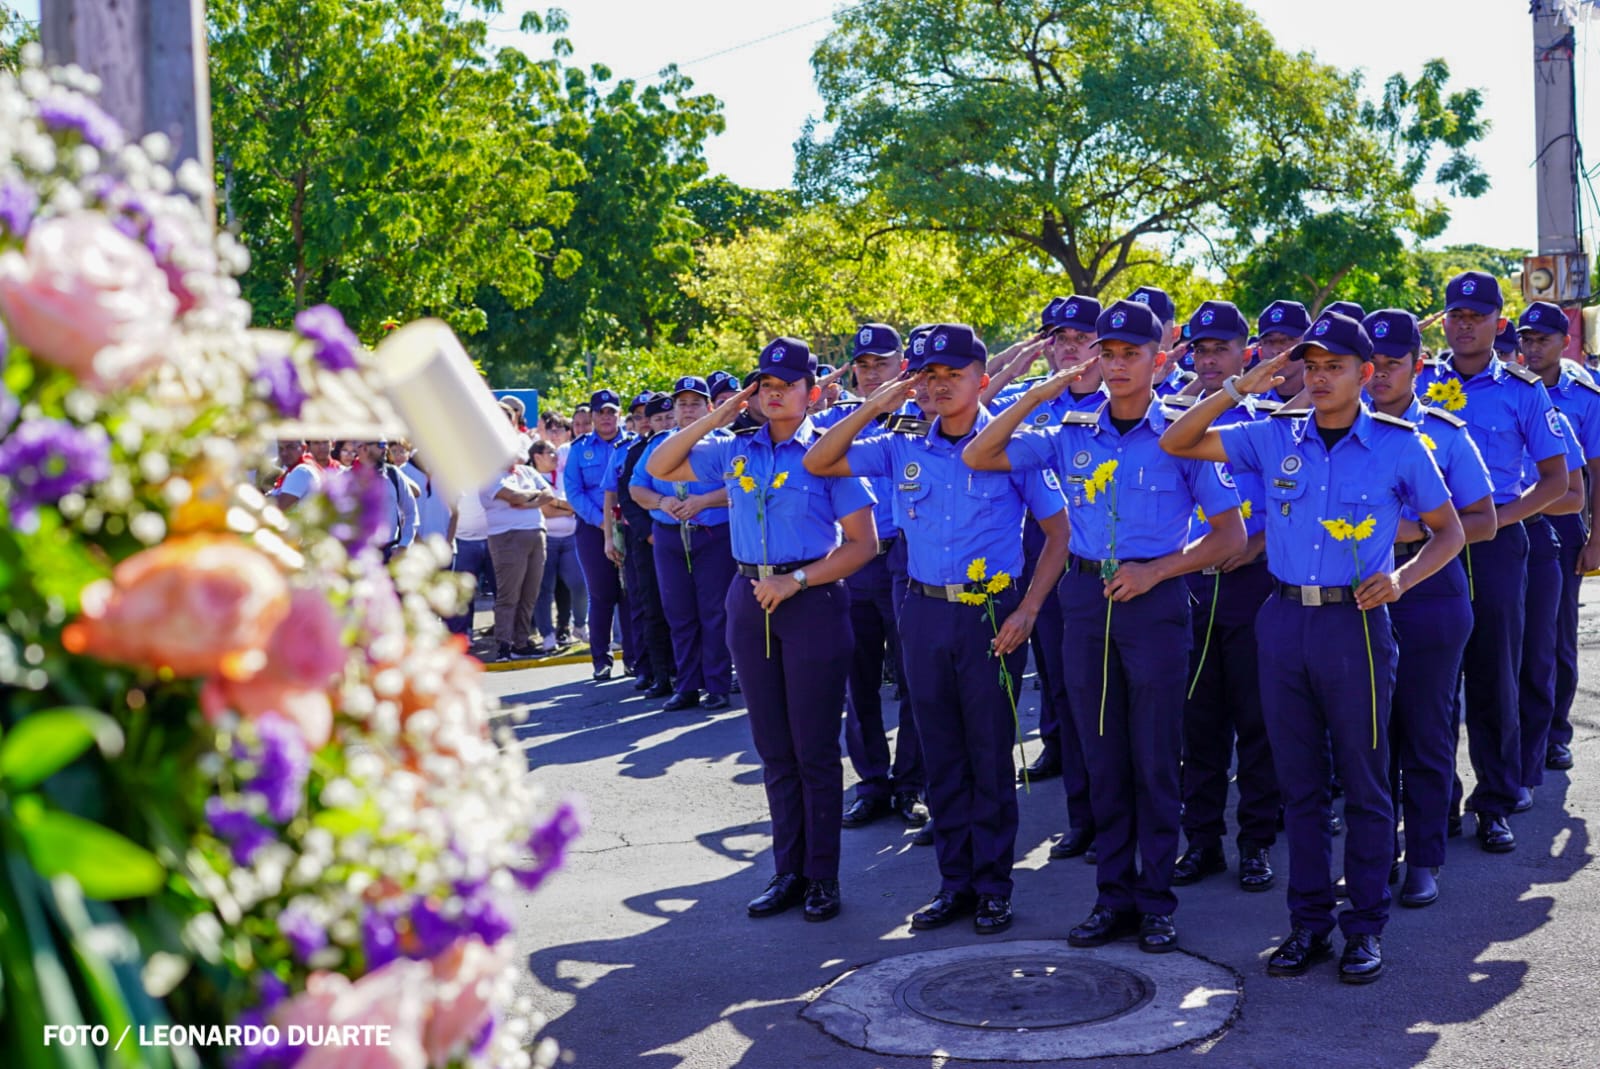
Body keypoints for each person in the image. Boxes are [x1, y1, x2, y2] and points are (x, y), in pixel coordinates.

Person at [1160, 310, 1464, 983]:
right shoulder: (1273, 435)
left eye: (1335, 367)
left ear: (1366, 372)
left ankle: (1365, 926)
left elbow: (1450, 531)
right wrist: (1241, 386)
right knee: (1298, 784)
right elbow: (1178, 439)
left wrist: (1403, 578)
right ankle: (1308, 923)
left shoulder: (1400, 445)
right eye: (1313, 366)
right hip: (1284, 620)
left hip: (1354, 623)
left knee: (1364, 781)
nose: (1320, 378)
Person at [966, 299, 1245, 956]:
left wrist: (1159, 571)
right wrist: (1042, 389)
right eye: (1107, 354)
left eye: (1131, 354)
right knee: (1102, 754)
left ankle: (1156, 903)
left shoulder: (1180, 434)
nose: (1117, 365)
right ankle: (1112, 898)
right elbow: (980, 452)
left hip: (1154, 602)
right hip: (1087, 599)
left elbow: (1230, 536)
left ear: (1158, 359)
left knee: (1155, 756)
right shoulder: (1069, 432)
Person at [810, 323, 1068, 936]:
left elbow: (1058, 533)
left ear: (982, 377)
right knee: (942, 755)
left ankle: (993, 887)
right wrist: (877, 403)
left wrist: (1029, 609)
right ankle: (954, 884)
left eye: (954, 374)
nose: (940, 385)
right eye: (929, 375)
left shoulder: (1011, 446)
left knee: (988, 753)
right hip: (923, 609)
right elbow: (819, 459)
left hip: (991, 614)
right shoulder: (900, 443)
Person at [648, 337, 878, 924]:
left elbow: (862, 545)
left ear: (811, 392)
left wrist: (797, 580)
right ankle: (787, 872)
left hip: (811, 599)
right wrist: (719, 415)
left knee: (814, 749)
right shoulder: (734, 448)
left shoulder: (827, 453)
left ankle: (821, 876)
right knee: (774, 748)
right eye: (765, 386)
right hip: (750, 597)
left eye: (787, 386)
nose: (774, 395)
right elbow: (659, 467)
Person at [1415, 271, 1566, 854]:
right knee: (1431, 680)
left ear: (1498, 324)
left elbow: (1557, 481)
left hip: (1496, 542)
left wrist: (1499, 520)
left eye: (1477, 316)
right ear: (1444, 321)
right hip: (1427, 541)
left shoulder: (1523, 391)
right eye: (1456, 314)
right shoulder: (1420, 384)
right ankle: (1437, 800)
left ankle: (1496, 800)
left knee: (1494, 674)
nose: (1465, 324)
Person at [1362, 308, 1495, 909]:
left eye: (1393, 364)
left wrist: (1414, 529)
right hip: (1358, 593)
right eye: (1373, 364)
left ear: (1418, 367)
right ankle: (1375, 856)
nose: (1382, 374)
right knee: (1369, 737)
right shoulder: (1339, 430)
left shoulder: (1443, 432)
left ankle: (1423, 858)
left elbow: (1483, 520)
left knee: (1423, 730)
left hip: (1430, 593)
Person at [1164, 301, 1283, 894]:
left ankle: (1256, 842)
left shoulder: (1272, 421)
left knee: (1257, 721)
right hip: (1189, 585)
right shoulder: (1169, 419)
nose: (1210, 360)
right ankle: (1203, 840)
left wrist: (1254, 543)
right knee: (1198, 723)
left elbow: (1295, 501)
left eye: (1222, 349)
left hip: (1252, 584)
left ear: (1246, 353)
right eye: (1201, 350)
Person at [992, 297, 1104, 864]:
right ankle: (1084, 817)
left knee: (1114, 702)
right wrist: (1021, 372)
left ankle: (1122, 818)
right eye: (1060, 339)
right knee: (1065, 690)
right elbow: (973, 419)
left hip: (1104, 562)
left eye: (1082, 338)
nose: (1069, 348)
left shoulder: (1125, 402)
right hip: (1040, 557)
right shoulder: (1029, 402)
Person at [814, 324, 927, 830]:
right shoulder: (835, 421)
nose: (871, 373)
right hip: (853, 560)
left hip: (905, 556)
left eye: (881, 363)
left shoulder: (922, 418)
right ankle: (872, 784)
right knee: (857, 681)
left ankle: (911, 784)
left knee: (913, 677)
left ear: (902, 366)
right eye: (862, 365)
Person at [1517, 302, 1600, 773]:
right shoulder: (1511, 389)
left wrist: (1596, 539)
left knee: (1557, 635)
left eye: (1542, 340)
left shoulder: (1584, 398)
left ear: (1564, 343)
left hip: (1563, 521)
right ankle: (1521, 729)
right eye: (1526, 340)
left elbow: (1597, 475)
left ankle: (1555, 733)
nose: (1532, 348)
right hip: (1511, 522)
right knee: (1515, 634)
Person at [632, 376, 737, 711]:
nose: (688, 410)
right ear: (674, 410)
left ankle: (717, 685)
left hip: (713, 535)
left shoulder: (726, 442)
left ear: (710, 408)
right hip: (670, 536)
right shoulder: (659, 444)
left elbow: (742, 485)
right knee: (678, 613)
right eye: (682, 404)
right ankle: (687, 685)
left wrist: (703, 501)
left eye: (695, 404)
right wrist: (661, 502)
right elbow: (636, 487)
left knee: (714, 612)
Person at [566, 389, 635, 681]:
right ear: (592, 416)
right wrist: (602, 522)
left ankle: (634, 658)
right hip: (592, 529)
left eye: (611, 412)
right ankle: (601, 660)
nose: (606, 418)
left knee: (631, 594)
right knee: (602, 593)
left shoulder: (633, 444)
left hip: (630, 527)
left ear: (619, 414)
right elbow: (574, 491)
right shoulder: (579, 448)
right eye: (600, 413)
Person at [613, 394, 676, 695]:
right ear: (648, 423)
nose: (665, 423)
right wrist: (649, 533)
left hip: (684, 535)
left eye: (669, 417)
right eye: (658, 419)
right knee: (652, 607)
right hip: (649, 539)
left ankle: (690, 672)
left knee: (684, 607)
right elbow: (627, 498)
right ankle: (658, 673)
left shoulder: (689, 444)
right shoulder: (637, 451)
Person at [481, 417, 557, 661]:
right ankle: (504, 643)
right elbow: (512, 496)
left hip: (536, 535)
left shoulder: (527, 471)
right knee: (509, 594)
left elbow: (548, 494)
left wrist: (526, 500)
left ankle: (521, 642)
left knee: (529, 593)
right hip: (507, 537)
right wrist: (530, 497)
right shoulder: (488, 475)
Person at [531, 438, 585, 653]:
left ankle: (578, 625)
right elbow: (546, 511)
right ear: (537, 457)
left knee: (579, 584)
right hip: (546, 540)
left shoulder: (563, 476)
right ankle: (547, 634)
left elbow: (575, 504)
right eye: (550, 452)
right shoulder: (532, 476)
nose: (556, 456)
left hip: (570, 539)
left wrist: (556, 502)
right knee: (544, 589)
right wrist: (566, 507)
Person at [354, 440, 420, 562]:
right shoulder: (346, 478)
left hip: (390, 554)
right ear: (363, 448)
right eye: (381, 444)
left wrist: (404, 545)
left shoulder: (393, 473)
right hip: (359, 556)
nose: (385, 449)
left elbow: (411, 512)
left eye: (385, 445)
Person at [389, 440, 453, 545]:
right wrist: (418, 541)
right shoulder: (403, 472)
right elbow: (402, 515)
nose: (398, 455)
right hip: (415, 546)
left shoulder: (447, 469)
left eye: (401, 451)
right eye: (394, 451)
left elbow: (455, 511)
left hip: (443, 544)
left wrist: (449, 542)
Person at [1256, 301, 1311, 403]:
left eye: (1287, 339)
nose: (1276, 350)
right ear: (1260, 350)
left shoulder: (1331, 403)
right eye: (1269, 341)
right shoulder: (1247, 406)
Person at [268, 439, 322, 512]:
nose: (284, 453)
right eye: (281, 449)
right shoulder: (296, 470)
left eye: (290, 447)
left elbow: (275, 510)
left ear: (303, 448)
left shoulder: (302, 470)